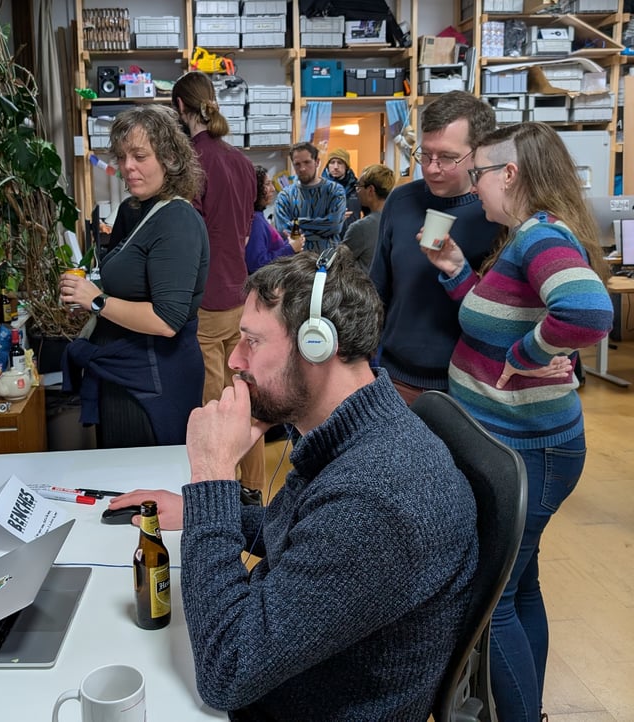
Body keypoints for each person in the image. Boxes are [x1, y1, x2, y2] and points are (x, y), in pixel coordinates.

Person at [110, 246, 478, 719]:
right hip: (296, 674)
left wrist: (212, 476)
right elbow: (313, 537)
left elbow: (227, 671)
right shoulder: (355, 436)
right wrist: (207, 514)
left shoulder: (377, 498)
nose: (236, 361)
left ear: (316, 346)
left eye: (252, 342)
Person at [422, 121, 613, 722]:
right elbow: (497, 315)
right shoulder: (523, 238)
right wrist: (457, 273)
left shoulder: (540, 237)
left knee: (494, 598)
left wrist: (526, 355)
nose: (473, 187)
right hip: (520, 444)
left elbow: (586, 310)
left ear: (510, 174)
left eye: (478, 174)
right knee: (521, 582)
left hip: (531, 450)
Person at [60, 104, 209, 448]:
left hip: (154, 384)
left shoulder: (176, 221)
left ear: (169, 157)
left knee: (145, 490)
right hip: (126, 374)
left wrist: (95, 300)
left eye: (140, 156)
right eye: (123, 156)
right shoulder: (138, 210)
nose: (127, 166)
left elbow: (165, 320)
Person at [369, 90, 501, 404]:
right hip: (396, 378)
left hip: (471, 386)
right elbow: (377, 289)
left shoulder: (498, 213)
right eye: (425, 155)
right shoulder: (400, 201)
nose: (431, 168)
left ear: (480, 153)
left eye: (446, 157)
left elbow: (506, 314)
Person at [172, 70, 266, 489]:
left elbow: (189, 238)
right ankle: (254, 490)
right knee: (244, 397)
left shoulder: (191, 162)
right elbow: (245, 229)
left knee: (214, 404)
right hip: (239, 294)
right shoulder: (242, 162)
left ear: (179, 108)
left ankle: (218, 492)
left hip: (206, 298)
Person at [274, 141, 346, 253]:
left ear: (317, 162)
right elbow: (284, 231)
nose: (302, 168)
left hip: (329, 261)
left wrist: (298, 223)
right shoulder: (285, 196)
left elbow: (334, 226)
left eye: (307, 162)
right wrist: (322, 228)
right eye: (297, 164)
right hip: (297, 264)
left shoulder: (335, 191)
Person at [245, 164, 302, 274]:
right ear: (255, 188)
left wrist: (289, 244)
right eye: (267, 184)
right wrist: (290, 249)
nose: (273, 189)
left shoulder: (259, 216)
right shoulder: (255, 221)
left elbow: (271, 251)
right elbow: (257, 264)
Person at [342, 163, 395, 272]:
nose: (357, 192)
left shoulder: (361, 228)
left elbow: (338, 263)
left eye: (359, 186)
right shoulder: (399, 219)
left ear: (370, 190)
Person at [321, 147, 362, 236]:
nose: (335, 167)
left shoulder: (357, 187)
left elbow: (370, 213)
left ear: (346, 166)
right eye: (332, 162)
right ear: (328, 166)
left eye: (340, 163)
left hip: (352, 238)